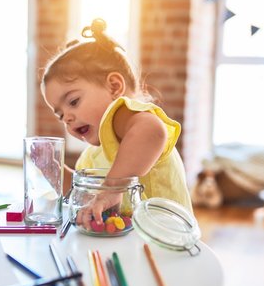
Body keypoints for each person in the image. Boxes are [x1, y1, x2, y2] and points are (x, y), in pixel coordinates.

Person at [40, 18, 193, 230]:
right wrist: (55, 171)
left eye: (73, 101)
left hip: (165, 247)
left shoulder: (130, 118)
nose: (67, 118)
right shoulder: (92, 157)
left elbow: (151, 132)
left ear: (113, 87)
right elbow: (82, 197)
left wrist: (112, 190)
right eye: (60, 114)